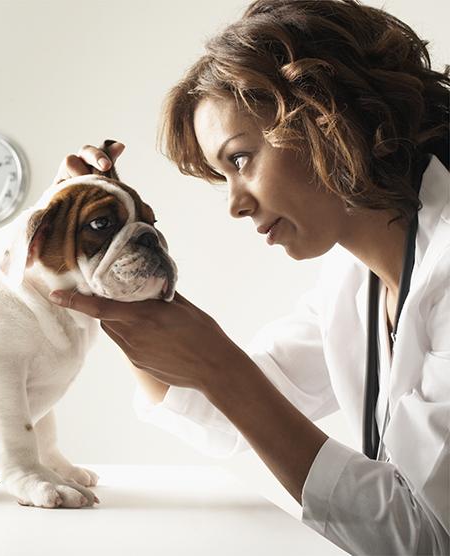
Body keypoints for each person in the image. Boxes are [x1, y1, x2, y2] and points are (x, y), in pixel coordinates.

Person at [48, 1, 449, 554]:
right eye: (222, 175)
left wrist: (220, 367)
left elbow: (426, 537)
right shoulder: (354, 283)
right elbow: (224, 410)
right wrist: (114, 260)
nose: (235, 204)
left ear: (326, 116)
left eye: (240, 158)